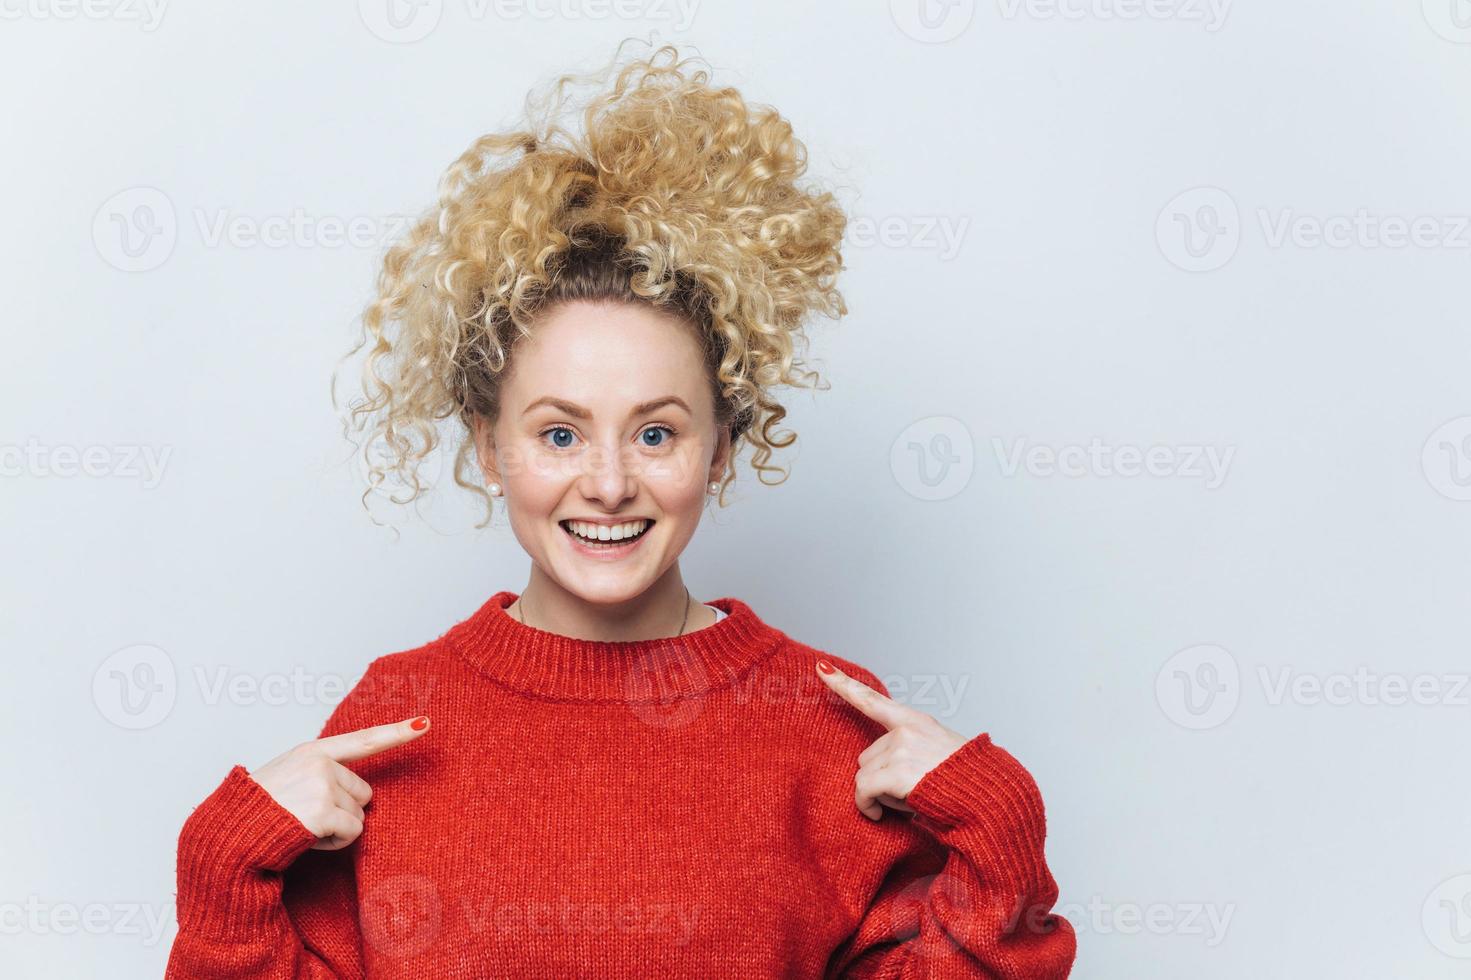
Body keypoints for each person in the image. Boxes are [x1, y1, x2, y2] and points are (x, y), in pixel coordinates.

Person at [164, 40, 1076, 979]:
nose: (606, 484)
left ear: (720, 447)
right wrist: (222, 871)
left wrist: (998, 829)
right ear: (489, 446)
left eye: (655, 433)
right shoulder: (398, 717)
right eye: (559, 434)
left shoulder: (828, 723)